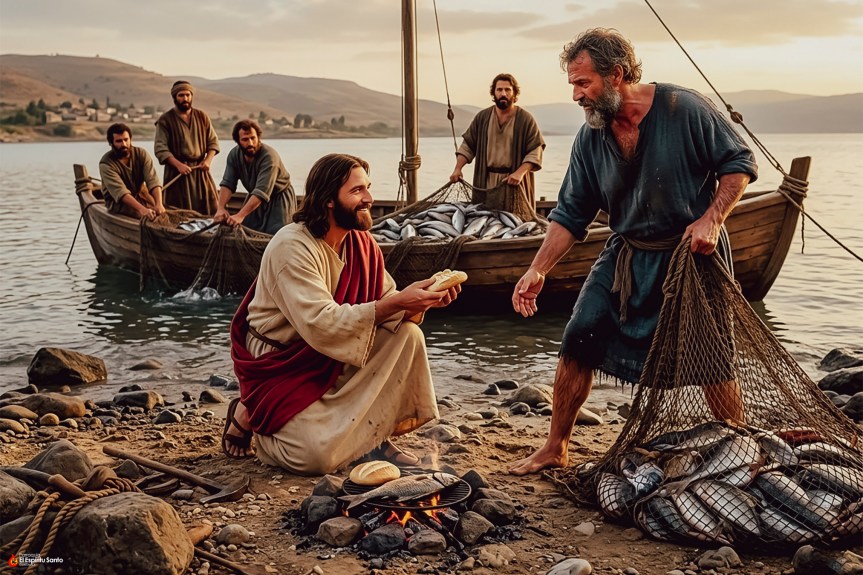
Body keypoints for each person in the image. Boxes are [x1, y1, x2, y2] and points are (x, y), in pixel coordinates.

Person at [508, 28, 758, 476]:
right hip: (626, 252)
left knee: (713, 355)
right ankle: (555, 446)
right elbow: (570, 214)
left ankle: (740, 446)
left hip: (690, 254)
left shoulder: (684, 108)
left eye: (583, 84)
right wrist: (537, 270)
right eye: (572, 85)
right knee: (578, 336)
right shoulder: (591, 138)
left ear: (616, 74)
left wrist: (712, 219)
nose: (576, 95)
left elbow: (739, 164)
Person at [222, 153, 461, 474]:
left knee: (408, 335)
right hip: (283, 365)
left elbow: (388, 306)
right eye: (357, 191)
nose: (369, 198)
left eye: (368, 188)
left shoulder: (361, 244)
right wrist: (400, 302)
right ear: (329, 200)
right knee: (314, 458)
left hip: (333, 352)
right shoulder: (291, 246)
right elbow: (321, 323)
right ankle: (252, 414)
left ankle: (374, 436)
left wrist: (421, 303)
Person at [449, 73, 545, 213]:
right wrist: (458, 168)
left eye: (507, 90)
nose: (503, 93)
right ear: (494, 93)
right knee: (485, 220)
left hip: (514, 183)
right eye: (499, 90)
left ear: (514, 93)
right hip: (486, 182)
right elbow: (468, 146)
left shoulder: (525, 119)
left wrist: (519, 173)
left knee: (517, 221)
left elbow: (535, 151)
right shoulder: (483, 118)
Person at [214, 120, 296, 235]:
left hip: (278, 199)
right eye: (245, 139)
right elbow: (228, 183)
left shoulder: (269, 157)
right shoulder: (234, 155)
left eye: (253, 138)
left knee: (277, 235)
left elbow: (261, 192)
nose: (250, 143)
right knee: (246, 229)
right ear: (238, 141)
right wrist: (221, 208)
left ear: (259, 137)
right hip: (254, 196)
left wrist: (240, 215)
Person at [154, 80, 220, 214]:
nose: (185, 99)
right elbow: (161, 149)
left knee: (210, 209)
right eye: (181, 95)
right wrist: (178, 165)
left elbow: (213, 142)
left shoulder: (202, 117)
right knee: (179, 213)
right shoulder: (165, 120)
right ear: (174, 98)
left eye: (188, 95)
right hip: (177, 173)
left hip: (200, 172)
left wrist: (208, 161)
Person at [98, 123, 165, 220]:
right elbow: (121, 193)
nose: (123, 144)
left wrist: (159, 204)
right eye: (119, 141)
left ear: (130, 139)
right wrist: (142, 210)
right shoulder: (106, 164)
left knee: (162, 212)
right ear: (111, 143)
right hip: (118, 203)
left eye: (126, 140)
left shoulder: (141, 154)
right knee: (145, 218)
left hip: (140, 195)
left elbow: (152, 180)